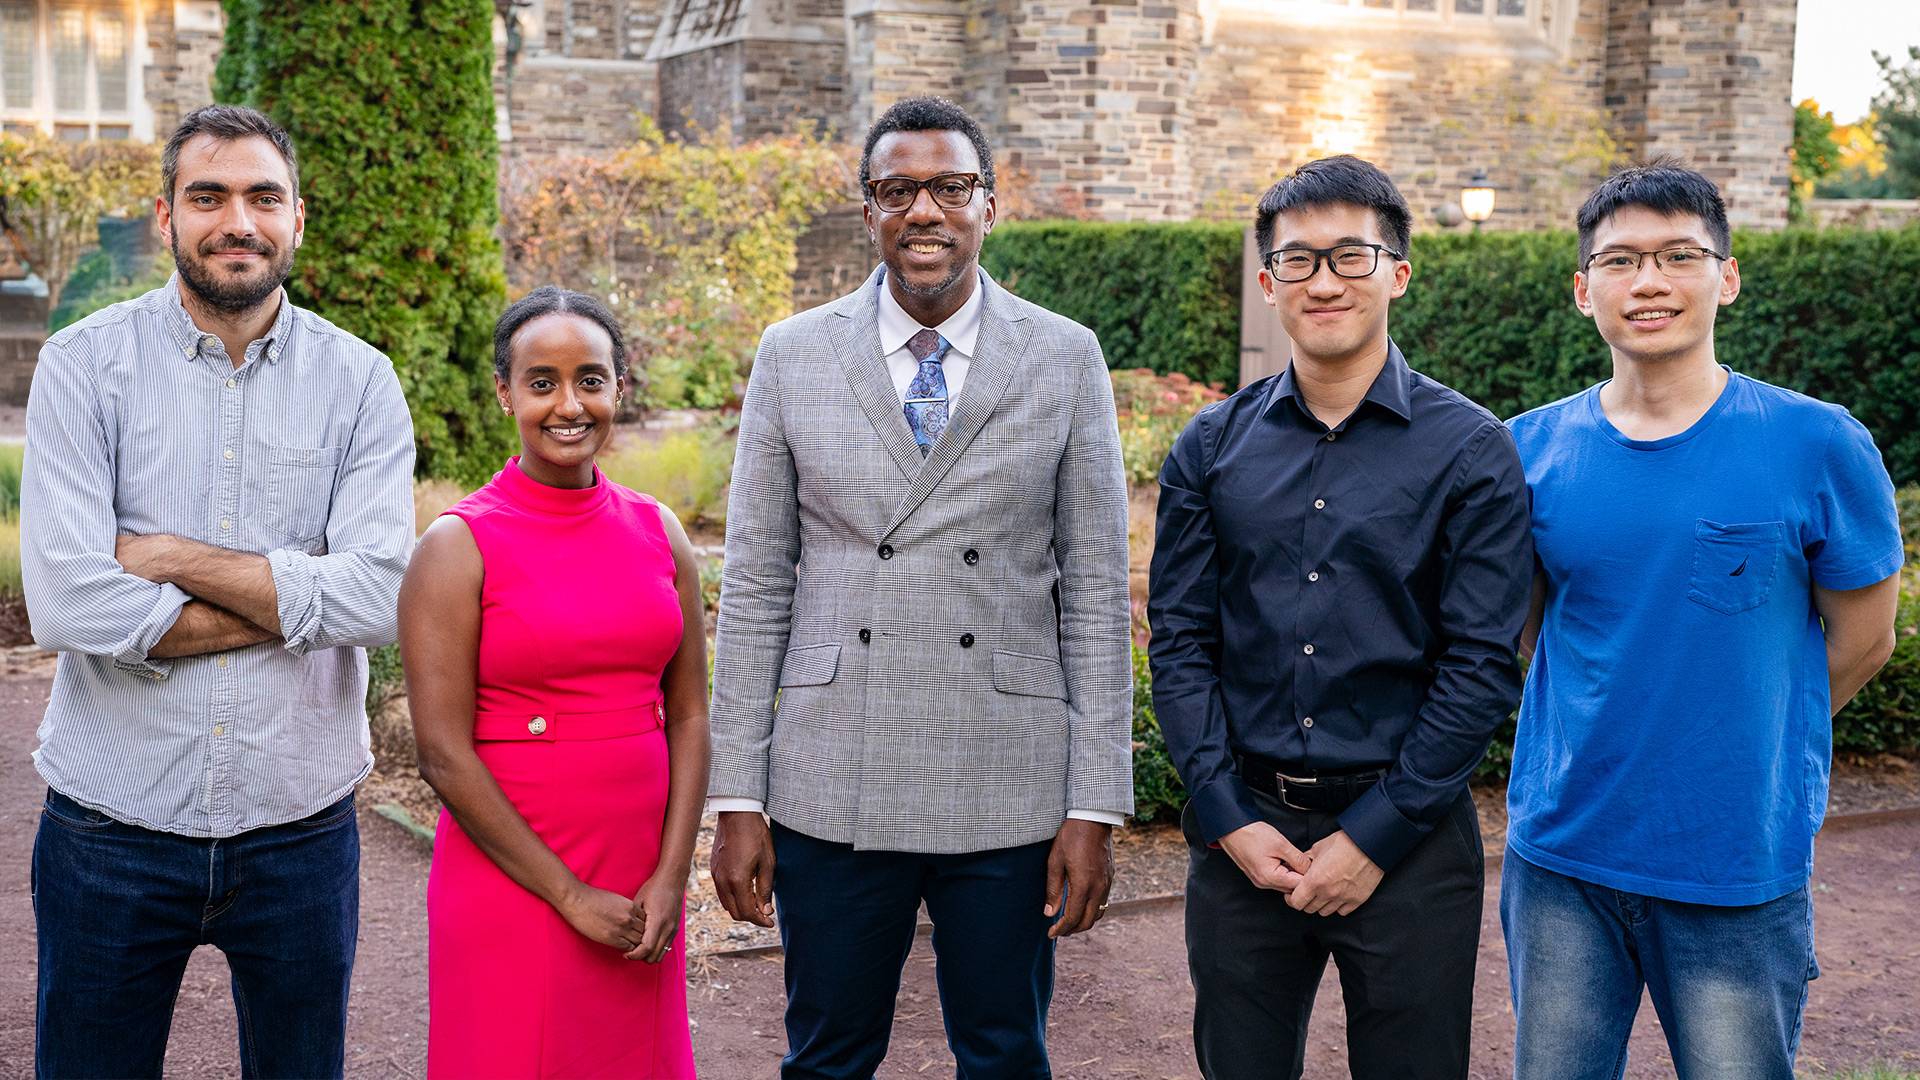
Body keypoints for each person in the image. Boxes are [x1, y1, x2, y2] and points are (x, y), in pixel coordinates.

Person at [705, 96, 1134, 1078]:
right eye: (898, 191)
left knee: (1004, 1055)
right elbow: (759, 585)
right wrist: (738, 796)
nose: (924, 211)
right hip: (834, 771)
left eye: (950, 187)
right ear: (869, 212)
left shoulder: (1064, 356)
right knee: (827, 1056)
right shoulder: (793, 353)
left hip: (1009, 776)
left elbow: (1096, 596)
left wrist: (1096, 805)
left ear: (990, 205)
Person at [21, 104, 416, 1078]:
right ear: (167, 216)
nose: (238, 221)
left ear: (297, 218)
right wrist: (297, 599)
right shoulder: (83, 366)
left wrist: (168, 558)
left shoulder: (360, 381)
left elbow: (381, 598)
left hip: (300, 832)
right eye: (209, 196)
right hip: (110, 829)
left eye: (262, 198)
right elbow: (68, 604)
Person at [1501, 160, 1902, 1080]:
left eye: (1679, 255)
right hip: (1562, 857)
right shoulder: (1527, 449)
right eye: (1620, 261)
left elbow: (1865, 640)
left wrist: (1748, 733)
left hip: (1735, 861)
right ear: (1584, 290)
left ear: (1727, 277)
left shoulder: (1817, 443)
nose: (1649, 281)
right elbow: (1529, 632)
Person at [1147, 155, 1534, 1080]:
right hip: (1247, 834)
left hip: (1410, 839)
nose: (1324, 281)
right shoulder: (1210, 446)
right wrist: (1225, 816)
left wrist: (1374, 837)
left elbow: (1481, 662)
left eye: (1351, 256)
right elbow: (1181, 642)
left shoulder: (1472, 450)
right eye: (1298, 259)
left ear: (1398, 273)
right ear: (1268, 280)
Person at [400, 286, 708, 1078]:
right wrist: (568, 894)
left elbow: (689, 716)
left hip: (640, 881)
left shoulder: (660, 531)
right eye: (542, 383)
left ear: (618, 388)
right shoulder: (457, 546)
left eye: (590, 380)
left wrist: (672, 876)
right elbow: (441, 752)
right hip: (514, 879)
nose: (569, 405)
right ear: (506, 393)